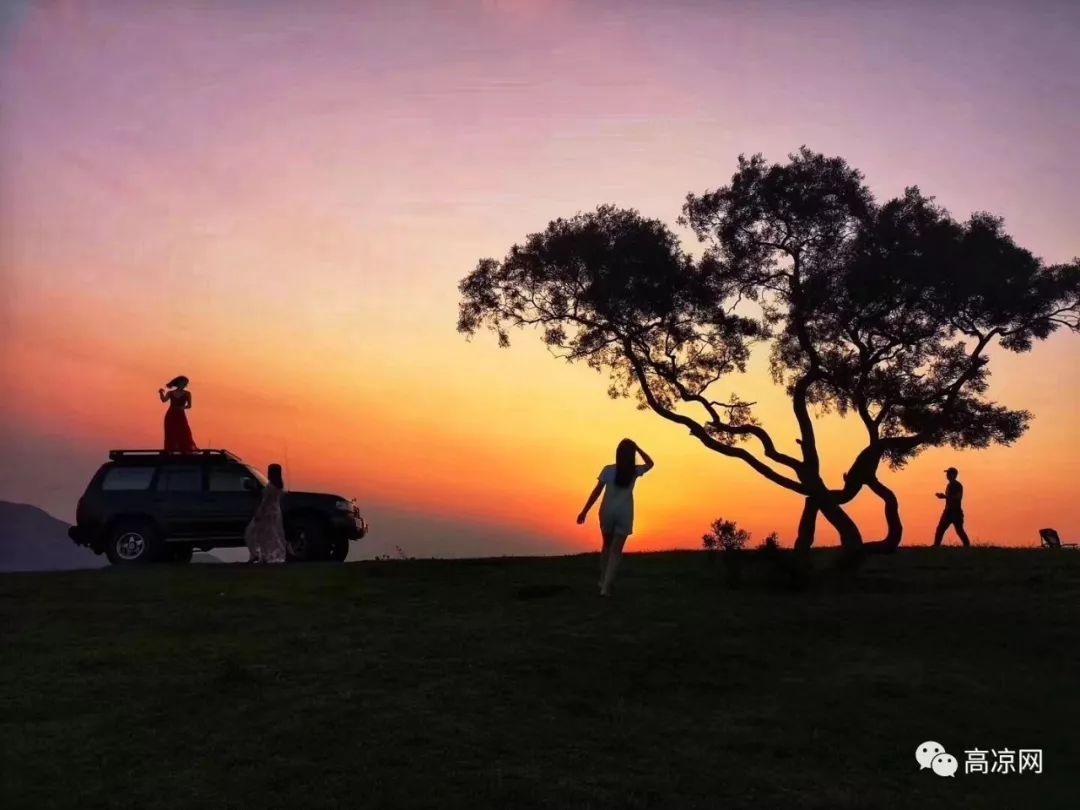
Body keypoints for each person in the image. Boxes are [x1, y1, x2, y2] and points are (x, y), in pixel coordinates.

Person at [577, 439, 654, 596]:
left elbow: (596, 492)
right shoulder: (634, 470)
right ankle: (606, 586)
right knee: (616, 550)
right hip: (624, 512)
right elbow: (650, 463)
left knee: (606, 545)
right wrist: (637, 447)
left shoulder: (608, 470)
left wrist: (584, 511)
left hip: (607, 511)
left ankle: (603, 580)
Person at [245, 464, 287, 564]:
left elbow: (265, 501)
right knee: (271, 536)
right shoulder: (279, 485)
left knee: (251, 533)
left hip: (267, 513)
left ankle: (257, 555)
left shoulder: (270, 486)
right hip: (276, 512)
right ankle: (264, 556)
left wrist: (258, 513)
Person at [933, 467, 971, 547]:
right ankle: (936, 546)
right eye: (947, 474)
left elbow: (958, 497)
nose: (947, 475)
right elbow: (949, 497)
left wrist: (945, 497)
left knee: (959, 530)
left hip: (955, 511)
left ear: (954, 475)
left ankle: (967, 546)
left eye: (949, 474)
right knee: (940, 529)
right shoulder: (949, 485)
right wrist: (943, 496)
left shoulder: (958, 485)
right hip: (948, 511)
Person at [159, 376, 198, 453]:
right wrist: (160, 393)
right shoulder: (170, 393)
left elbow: (189, 406)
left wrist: (183, 407)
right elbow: (164, 400)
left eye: (186, 383)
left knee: (184, 432)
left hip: (180, 415)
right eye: (183, 382)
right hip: (170, 415)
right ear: (179, 382)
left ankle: (185, 451)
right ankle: (170, 451)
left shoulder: (188, 393)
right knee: (170, 432)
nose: (184, 384)